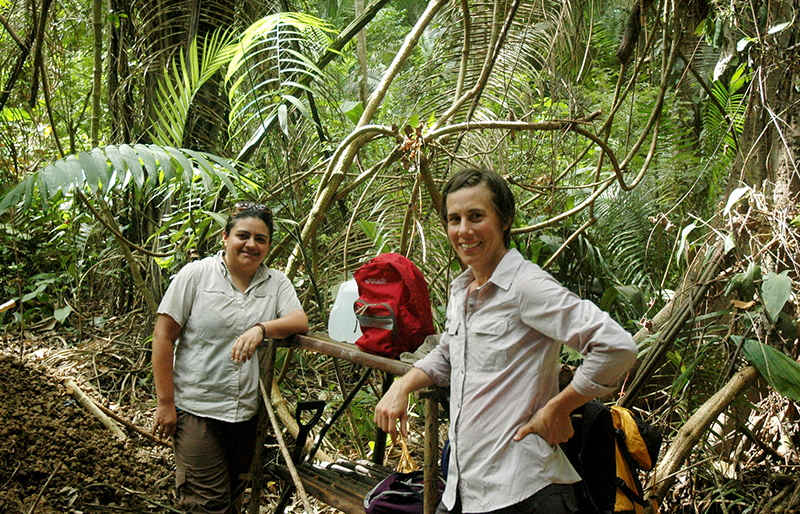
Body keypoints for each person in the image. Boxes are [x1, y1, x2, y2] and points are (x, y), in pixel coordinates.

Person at [374, 168, 638, 514]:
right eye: (454, 219)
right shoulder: (462, 289)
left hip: (523, 488)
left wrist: (559, 408)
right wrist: (402, 387)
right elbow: (448, 353)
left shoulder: (526, 286)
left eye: (476, 216)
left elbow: (616, 346)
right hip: (464, 485)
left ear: (505, 219)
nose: (464, 230)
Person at [151, 202, 309, 514]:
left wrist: (261, 329)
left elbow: (299, 320)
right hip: (198, 410)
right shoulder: (196, 275)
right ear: (225, 237)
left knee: (232, 499)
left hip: (245, 415)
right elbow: (163, 336)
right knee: (207, 506)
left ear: (268, 246)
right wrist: (165, 402)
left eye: (260, 239)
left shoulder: (275, 283)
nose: (251, 244)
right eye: (243, 235)